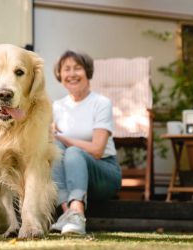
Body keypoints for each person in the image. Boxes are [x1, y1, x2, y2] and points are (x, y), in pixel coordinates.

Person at [50, 50, 121, 235]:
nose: (72, 74)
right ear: (60, 75)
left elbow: (97, 150)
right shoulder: (57, 107)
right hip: (72, 179)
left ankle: (77, 213)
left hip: (103, 174)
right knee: (53, 148)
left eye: (77, 68)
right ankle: (70, 215)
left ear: (87, 72)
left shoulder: (101, 103)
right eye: (66, 69)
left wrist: (64, 138)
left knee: (72, 150)